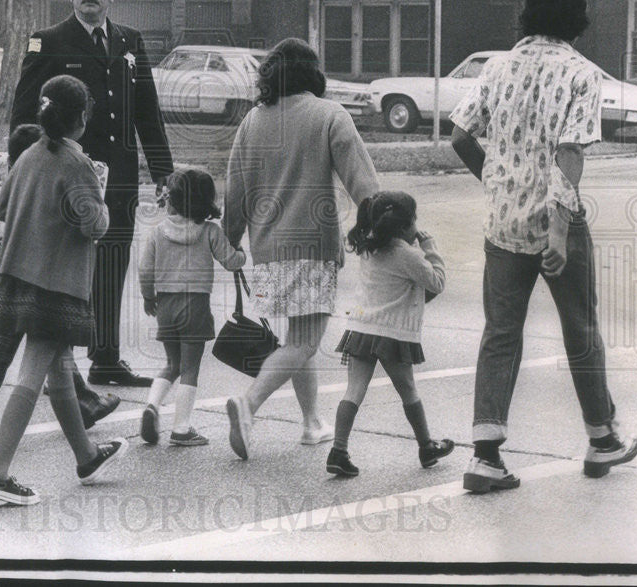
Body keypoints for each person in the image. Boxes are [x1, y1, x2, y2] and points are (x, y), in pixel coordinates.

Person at [449, 0, 637, 493]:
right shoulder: (581, 73)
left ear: (528, 17)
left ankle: (485, 457)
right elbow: (569, 151)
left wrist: (495, 180)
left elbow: (460, 135)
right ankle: (601, 439)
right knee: (581, 329)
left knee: (500, 335)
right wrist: (558, 229)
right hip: (560, 222)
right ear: (577, 22)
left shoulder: (497, 67)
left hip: (502, 222)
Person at [11, 0, 174, 388]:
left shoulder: (130, 42)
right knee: (61, 270)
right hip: (64, 180)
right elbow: (23, 117)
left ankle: (105, 358)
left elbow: (147, 112)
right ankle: (51, 365)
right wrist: (18, 178)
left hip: (117, 178)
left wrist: (163, 173)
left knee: (112, 264)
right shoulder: (45, 40)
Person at [223, 37, 380, 460]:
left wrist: (230, 238)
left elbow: (235, 190)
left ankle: (312, 423)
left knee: (297, 335)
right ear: (314, 74)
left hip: (267, 249)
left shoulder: (252, 122)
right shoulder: (330, 115)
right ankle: (249, 404)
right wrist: (379, 229)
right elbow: (363, 185)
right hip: (311, 247)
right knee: (305, 342)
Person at [0, 75, 128, 505]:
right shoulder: (77, 164)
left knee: (60, 370)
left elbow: (1, 205)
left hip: (17, 276)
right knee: (31, 374)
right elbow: (92, 225)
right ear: (81, 119)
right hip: (54, 283)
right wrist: (100, 195)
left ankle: (86, 456)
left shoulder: (28, 154)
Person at [0, 125, 119, 440]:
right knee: (49, 339)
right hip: (28, 276)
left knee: (5, 343)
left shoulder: (10, 190)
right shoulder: (28, 191)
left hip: (6, 277)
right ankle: (85, 405)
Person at [327, 192, 453, 477]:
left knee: (354, 391)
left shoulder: (369, 248)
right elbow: (437, 281)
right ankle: (426, 446)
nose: (416, 227)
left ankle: (338, 450)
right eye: (414, 221)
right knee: (408, 390)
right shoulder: (406, 255)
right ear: (403, 225)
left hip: (360, 328)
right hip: (391, 334)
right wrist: (430, 248)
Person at [138, 168, 246, 447]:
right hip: (194, 305)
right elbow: (232, 261)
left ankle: (151, 405)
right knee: (189, 369)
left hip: (165, 305)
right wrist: (242, 253)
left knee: (171, 364)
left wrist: (148, 297)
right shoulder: (209, 231)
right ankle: (182, 428)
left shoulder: (157, 232)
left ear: (172, 200)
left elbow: (145, 269)